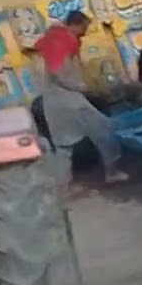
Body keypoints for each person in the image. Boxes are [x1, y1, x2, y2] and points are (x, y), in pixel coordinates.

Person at [33, 11, 129, 186]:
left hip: (53, 103)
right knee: (105, 130)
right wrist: (85, 89)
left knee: (63, 147)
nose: (85, 32)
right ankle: (112, 171)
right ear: (75, 25)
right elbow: (60, 73)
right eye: (84, 27)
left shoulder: (54, 39)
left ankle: (60, 188)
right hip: (70, 101)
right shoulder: (62, 42)